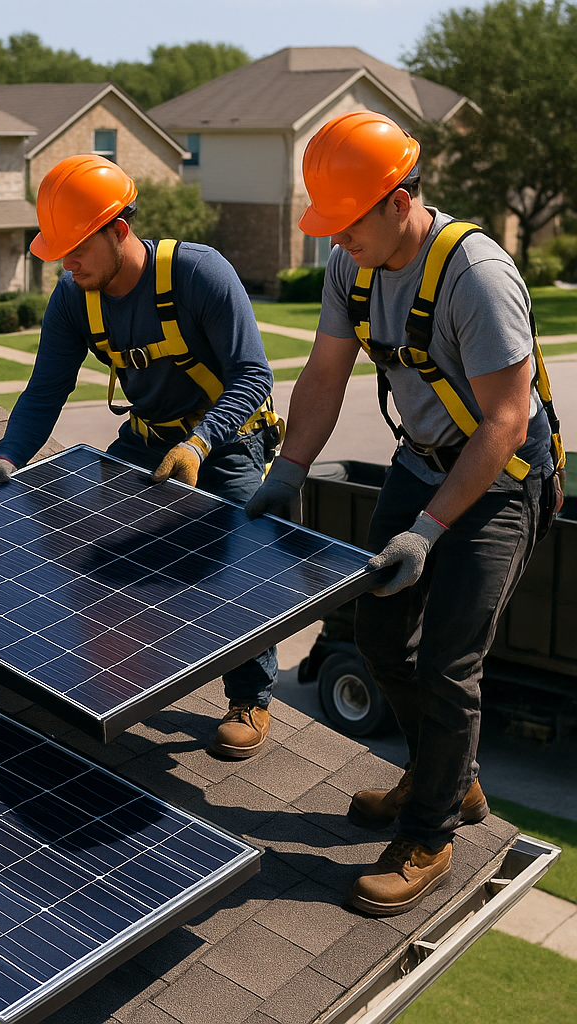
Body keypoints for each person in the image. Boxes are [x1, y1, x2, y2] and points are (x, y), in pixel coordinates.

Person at [247, 111, 563, 916]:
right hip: (419, 463)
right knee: (381, 632)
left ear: (398, 202)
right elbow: (323, 374)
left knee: (450, 661)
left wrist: (427, 532)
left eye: (346, 222)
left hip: (500, 476)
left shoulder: (474, 276)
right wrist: (287, 470)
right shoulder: (350, 267)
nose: (335, 238)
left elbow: (505, 423)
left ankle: (429, 836)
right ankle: (446, 778)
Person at [0, 154, 281, 759]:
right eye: (59, 250)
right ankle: (123, 672)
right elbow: (45, 390)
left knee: (238, 571)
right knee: (97, 556)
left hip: (224, 440)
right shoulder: (75, 297)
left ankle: (250, 695)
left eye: (77, 247)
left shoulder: (199, 274)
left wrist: (199, 443)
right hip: (146, 440)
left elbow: (254, 376)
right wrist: (8, 457)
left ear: (119, 229)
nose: (67, 263)